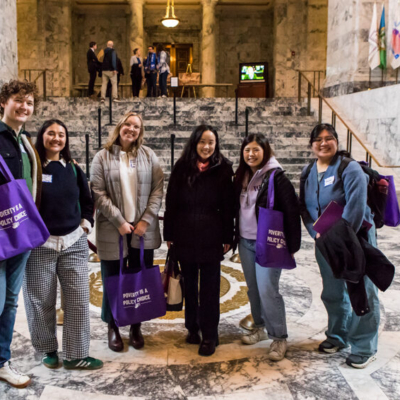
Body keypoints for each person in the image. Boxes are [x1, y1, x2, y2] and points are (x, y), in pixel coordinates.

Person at [22, 119, 103, 370]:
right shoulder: (32, 166)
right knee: (40, 301)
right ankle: (48, 350)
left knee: (78, 300)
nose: (56, 138)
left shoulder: (73, 168)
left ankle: (75, 354)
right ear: (41, 136)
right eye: (51, 133)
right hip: (40, 245)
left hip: (73, 242)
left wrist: (85, 226)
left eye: (61, 134)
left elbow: (87, 201)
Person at [299, 123, 379, 369]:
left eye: (329, 138)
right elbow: (305, 207)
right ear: (312, 144)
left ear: (336, 141)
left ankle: (364, 346)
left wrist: (344, 239)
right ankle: (337, 335)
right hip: (325, 241)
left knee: (361, 291)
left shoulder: (349, 167)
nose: (324, 143)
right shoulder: (307, 171)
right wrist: (315, 234)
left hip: (355, 239)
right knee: (332, 291)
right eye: (318, 139)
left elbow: (356, 206)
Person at [90, 112, 163, 352]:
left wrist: (145, 221)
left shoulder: (149, 156)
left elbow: (157, 191)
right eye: (128, 124)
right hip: (114, 228)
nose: (131, 129)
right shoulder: (102, 156)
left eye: (136, 126)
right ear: (120, 126)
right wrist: (120, 221)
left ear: (140, 132)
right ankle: (113, 326)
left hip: (142, 230)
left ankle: (135, 326)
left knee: (138, 278)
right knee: (113, 277)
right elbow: (98, 193)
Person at [164, 125, 235, 357]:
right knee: (190, 284)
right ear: (195, 143)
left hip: (211, 234)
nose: (206, 147)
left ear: (216, 145)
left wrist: (228, 236)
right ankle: (192, 327)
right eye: (202, 141)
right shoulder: (182, 167)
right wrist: (169, 234)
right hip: (184, 233)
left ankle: (210, 333)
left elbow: (228, 207)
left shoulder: (224, 168)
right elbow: (171, 201)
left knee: (210, 287)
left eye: (211, 142)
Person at [234, 134, 301, 361]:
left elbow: (292, 211)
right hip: (245, 241)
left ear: (265, 151)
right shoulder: (241, 175)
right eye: (247, 150)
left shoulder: (276, 176)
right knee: (253, 288)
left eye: (256, 150)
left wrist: (292, 245)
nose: (251, 154)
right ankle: (260, 327)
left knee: (267, 289)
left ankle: (279, 337)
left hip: (269, 243)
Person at [0, 80, 41, 388]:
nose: (24, 106)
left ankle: (2, 361)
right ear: (5, 102)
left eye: (29, 102)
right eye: (18, 100)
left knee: (12, 300)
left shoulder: (25, 141)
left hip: (21, 231)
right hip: (1, 231)